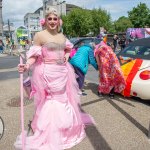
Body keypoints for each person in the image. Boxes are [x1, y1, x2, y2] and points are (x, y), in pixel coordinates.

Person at [14, 8, 94, 150]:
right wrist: (26, 65)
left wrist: (66, 56)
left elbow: (68, 48)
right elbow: (34, 55)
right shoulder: (39, 35)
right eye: (49, 19)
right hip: (47, 73)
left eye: (55, 19)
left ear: (58, 21)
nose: (52, 21)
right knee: (50, 101)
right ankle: (51, 132)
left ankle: (65, 130)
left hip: (62, 72)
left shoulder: (62, 36)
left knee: (64, 99)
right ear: (45, 21)